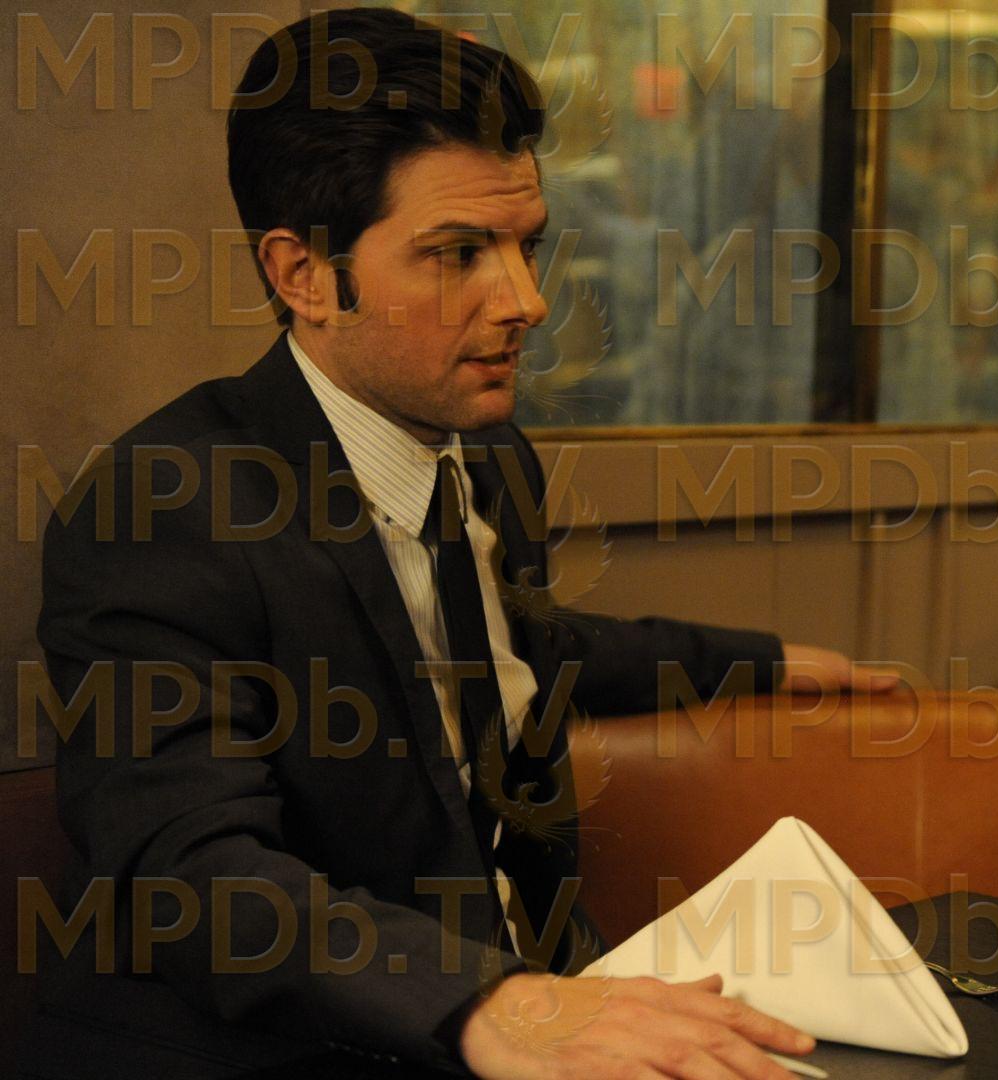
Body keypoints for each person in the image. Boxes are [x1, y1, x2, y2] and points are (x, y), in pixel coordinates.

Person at [33, 10, 887, 1078]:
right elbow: (190, 873)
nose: (527, 301)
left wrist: (756, 662)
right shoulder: (161, 508)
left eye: (529, 245)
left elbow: (508, 647)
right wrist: (496, 1007)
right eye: (459, 254)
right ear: (304, 275)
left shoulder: (488, 456)